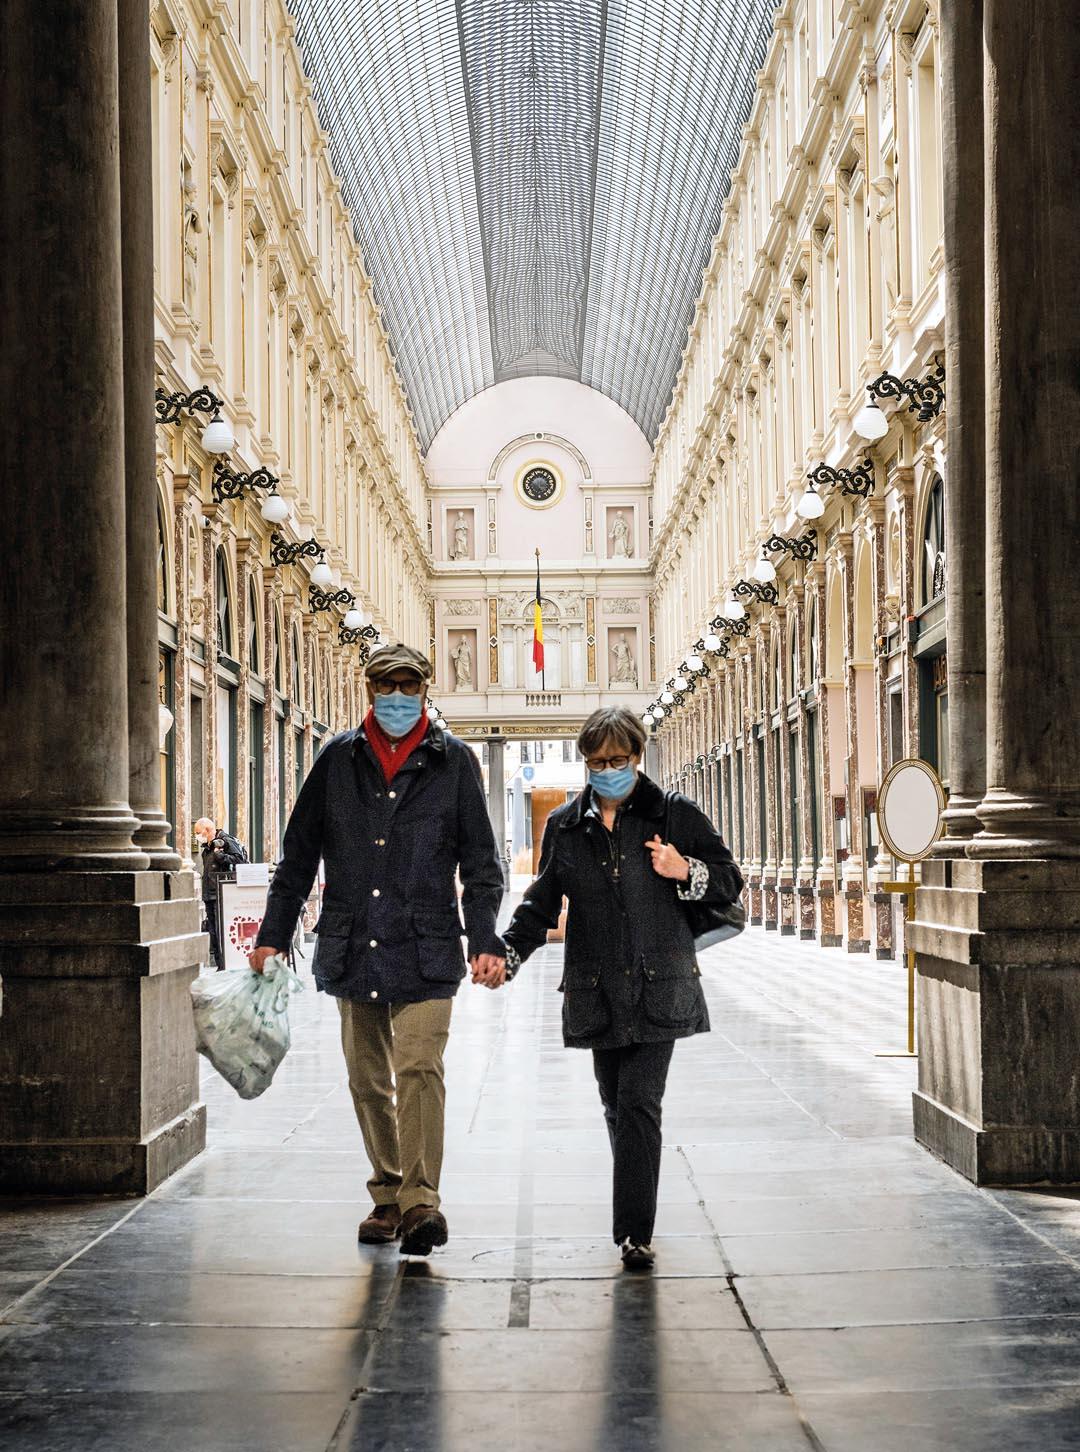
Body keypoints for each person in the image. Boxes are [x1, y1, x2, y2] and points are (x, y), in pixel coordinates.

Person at [248, 643, 506, 1257]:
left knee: (418, 1068)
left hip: (426, 944)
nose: (396, 696)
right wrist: (271, 936)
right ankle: (387, 1191)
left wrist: (486, 936)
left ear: (424, 690)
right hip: (353, 941)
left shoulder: (454, 762)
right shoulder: (338, 760)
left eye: (407, 686)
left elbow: (481, 864)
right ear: (368, 691)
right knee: (367, 1079)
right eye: (385, 686)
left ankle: (420, 1203)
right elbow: (299, 856)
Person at [495, 706, 743, 1271]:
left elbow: (730, 879)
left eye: (617, 759)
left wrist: (686, 870)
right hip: (597, 985)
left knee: (638, 1102)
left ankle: (634, 1232)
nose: (606, 769)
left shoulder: (673, 815)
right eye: (596, 761)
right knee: (615, 1105)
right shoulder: (566, 824)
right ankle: (635, 1204)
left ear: (637, 756)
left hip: (661, 984)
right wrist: (508, 953)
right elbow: (541, 900)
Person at [194, 817, 248, 970]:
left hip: (222, 894)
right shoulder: (208, 847)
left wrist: (221, 857)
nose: (197, 836)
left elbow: (241, 861)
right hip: (209, 894)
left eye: (198, 832)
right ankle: (220, 965)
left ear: (208, 830)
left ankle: (226, 964)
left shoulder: (226, 841)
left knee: (221, 929)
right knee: (213, 931)